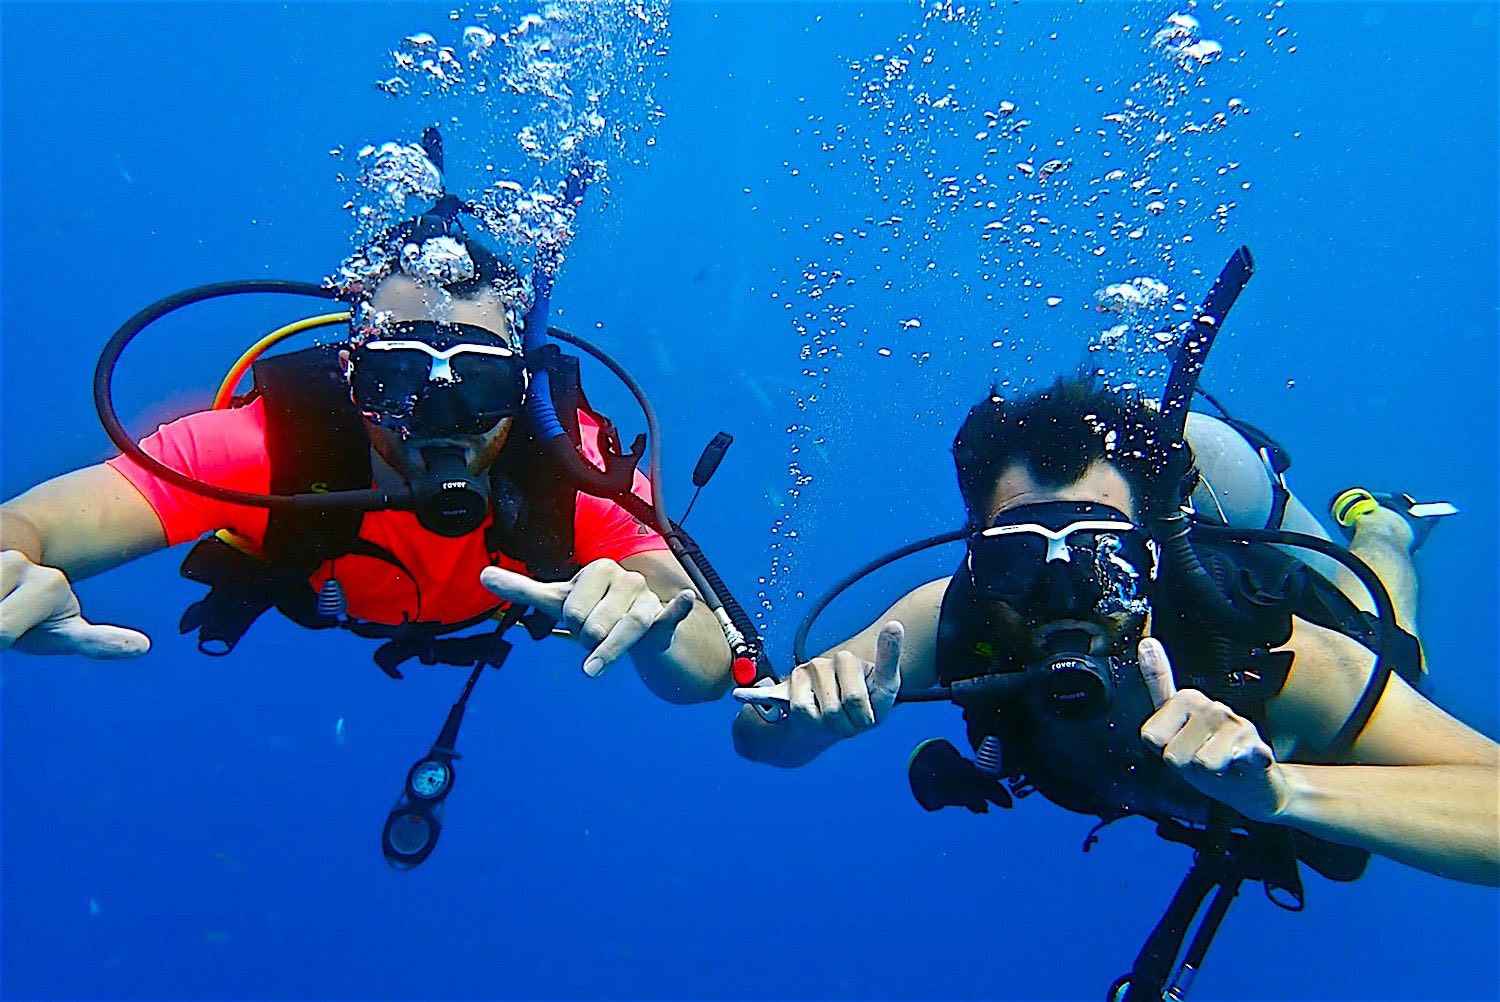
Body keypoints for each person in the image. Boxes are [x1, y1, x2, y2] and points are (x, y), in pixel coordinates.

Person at [732, 250, 1496, 996]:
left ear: (1154, 551)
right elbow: (758, 736)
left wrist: (1287, 796)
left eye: (1102, 555)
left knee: (1393, 640)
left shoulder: (1257, 653)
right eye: (1017, 557)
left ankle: (1385, 529)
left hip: (1311, 703)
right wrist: (811, 723)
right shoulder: (946, 619)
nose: (1062, 595)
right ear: (976, 555)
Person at [0, 143, 742, 865]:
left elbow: (706, 663)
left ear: (523, 390)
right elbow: (31, 524)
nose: (437, 423)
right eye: (398, 381)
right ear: (351, 378)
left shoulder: (568, 469)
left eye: (479, 387)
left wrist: (652, 628)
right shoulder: (271, 449)